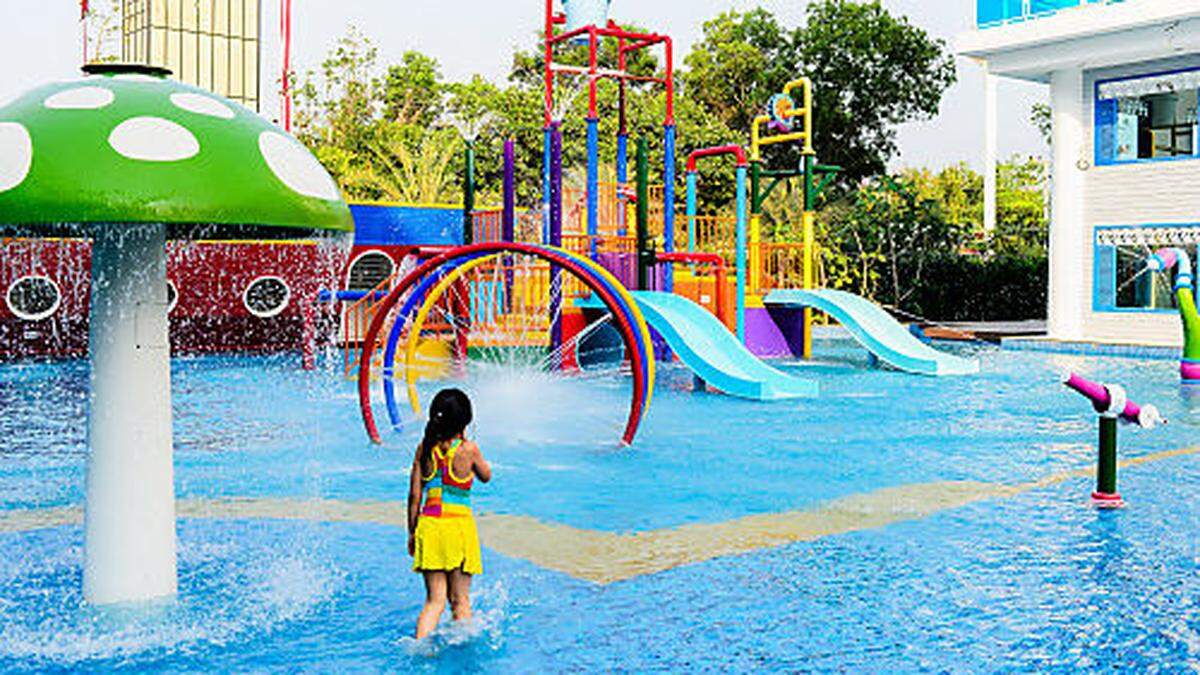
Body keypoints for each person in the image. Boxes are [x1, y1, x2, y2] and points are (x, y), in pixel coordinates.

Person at [407, 388, 491, 639]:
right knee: (461, 601)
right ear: (465, 421)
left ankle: (420, 647)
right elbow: (486, 476)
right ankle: (463, 655)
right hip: (458, 529)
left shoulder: (424, 449)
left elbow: (413, 497)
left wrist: (412, 533)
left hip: (430, 528)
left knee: (434, 602)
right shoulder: (469, 449)